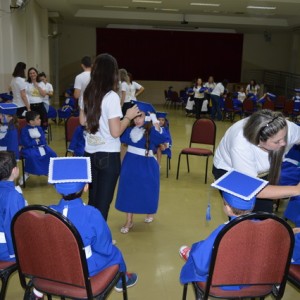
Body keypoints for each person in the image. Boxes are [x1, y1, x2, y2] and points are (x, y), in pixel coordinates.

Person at [29, 157, 138, 300]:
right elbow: (104, 247)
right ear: (86, 187)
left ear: (56, 187)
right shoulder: (92, 214)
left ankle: (38, 291)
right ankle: (120, 280)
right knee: (115, 253)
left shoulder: (49, 211)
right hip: (84, 269)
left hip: (55, 265)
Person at [179, 171, 265, 287]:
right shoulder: (264, 227)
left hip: (225, 282)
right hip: (255, 281)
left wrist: (195, 254)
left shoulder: (224, 231)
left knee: (199, 255)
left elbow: (201, 267)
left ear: (228, 209)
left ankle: (191, 254)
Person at [80, 53, 139, 221]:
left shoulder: (87, 93)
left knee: (93, 200)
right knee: (103, 203)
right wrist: (128, 116)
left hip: (89, 153)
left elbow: (83, 120)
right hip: (107, 155)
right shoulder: (111, 97)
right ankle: (99, 242)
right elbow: (115, 132)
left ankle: (90, 239)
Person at [213, 109, 300, 213]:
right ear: (259, 142)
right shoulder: (241, 144)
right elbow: (254, 190)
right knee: (241, 214)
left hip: (262, 171)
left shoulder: (282, 127)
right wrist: (296, 190)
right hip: (230, 171)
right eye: (277, 141)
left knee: (264, 215)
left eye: (284, 137)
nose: (284, 143)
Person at [115, 101, 169, 233]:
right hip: (130, 163)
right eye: (135, 117)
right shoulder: (128, 130)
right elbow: (119, 139)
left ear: (147, 116)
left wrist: (155, 122)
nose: (137, 120)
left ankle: (149, 211)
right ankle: (129, 220)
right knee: (128, 190)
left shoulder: (152, 131)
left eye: (140, 116)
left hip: (147, 164)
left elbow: (163, 137)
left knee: (147, 189)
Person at [0, 151, 26, 262]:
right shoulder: (13, 196)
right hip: (5, 249)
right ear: (15, 171)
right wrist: (14, 253)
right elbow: (13, 227)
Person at [19, 111, 57, 185]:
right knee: (32, 156)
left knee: (52, 153)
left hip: (41, 147)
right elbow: (26, 143)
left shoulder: (39, 128)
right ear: (31, 121)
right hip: (29, 149)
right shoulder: (24, 130)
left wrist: (35, 141)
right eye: (38, 119)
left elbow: (43, 140)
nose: (40, 120)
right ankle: (26, 173)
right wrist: (36, 141)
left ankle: (48, 171)